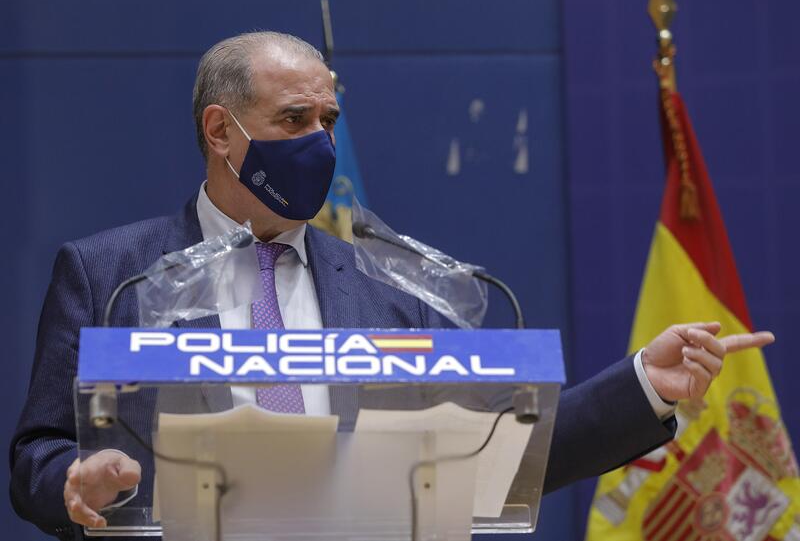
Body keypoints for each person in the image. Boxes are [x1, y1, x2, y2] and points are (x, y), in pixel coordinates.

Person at [8, 31, 774, 540]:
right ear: (219, 131)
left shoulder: (393, 285)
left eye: (329, 119)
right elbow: (38, 454)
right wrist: (75, 480)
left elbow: (504, 451)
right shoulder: (111, 275)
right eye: (294, 119)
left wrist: (645, 386)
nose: (321, 143)